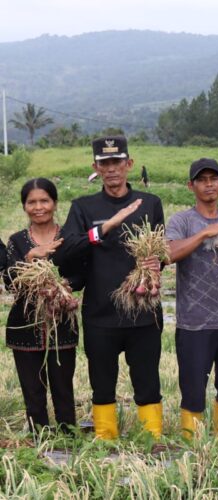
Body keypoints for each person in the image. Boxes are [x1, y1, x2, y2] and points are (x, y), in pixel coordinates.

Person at [55, 135, 165, 440]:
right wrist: (104, 228)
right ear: (96, 167)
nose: (112, 168)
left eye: (117, 162)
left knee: (147, 381)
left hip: (143, 314)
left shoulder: (151, 203)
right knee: (101, 383)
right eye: (105, 163)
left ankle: (151, 439)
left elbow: (160, 251)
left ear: (128, 164)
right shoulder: (83, 207)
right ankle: (106, 439)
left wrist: (158, 264)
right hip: (100, 314)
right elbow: (64, 251)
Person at [166, 158, 218, 444]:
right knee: (192, 390)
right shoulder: (182, 221)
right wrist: (205, 232)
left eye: (214, 178)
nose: (209, 184)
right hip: (194, 323)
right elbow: (169, 254)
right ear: (191, 185)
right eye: (202, 179)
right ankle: (194, 446)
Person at [3, 179, 81, 435]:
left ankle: (69, 440)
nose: (39, 207)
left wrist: (63, 285)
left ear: (54, 203)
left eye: (44, 200)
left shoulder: (68, 237)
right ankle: (40, 441)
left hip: (61, 324)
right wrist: (31, 257)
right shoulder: (16, 241)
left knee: (63, 388)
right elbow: (10, 282)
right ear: (24, 206)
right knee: (33, 392)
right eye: (32, 202)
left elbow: (82, 275)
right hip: (24, 326)